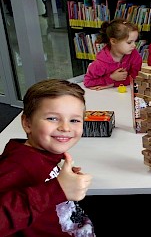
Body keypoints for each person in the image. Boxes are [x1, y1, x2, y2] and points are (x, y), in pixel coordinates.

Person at [0, 79, 95, 236]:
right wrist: (56, 188)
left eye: (74, 120)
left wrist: (59, 175)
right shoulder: (17, 164)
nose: (65, 127)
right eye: (52, 118)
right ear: (27, 123)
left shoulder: (44, 154)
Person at [84, 18, 142, 90]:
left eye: (135, 41)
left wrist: (113, 84)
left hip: (126, 92)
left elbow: (135, 77)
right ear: (113, 41)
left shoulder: (134, 55)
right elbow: (88, 82)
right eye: (129, 42)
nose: (134, 45)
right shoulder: (100, 64)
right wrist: (111, 77)